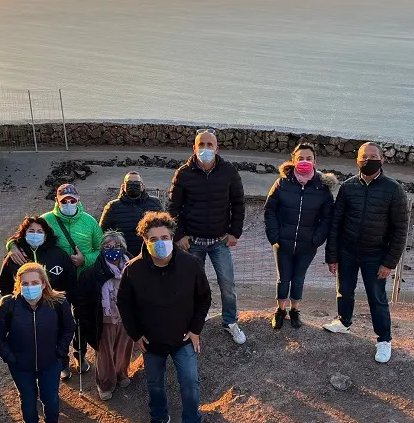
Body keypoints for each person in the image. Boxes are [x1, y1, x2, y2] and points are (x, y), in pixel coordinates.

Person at [118, 212, 214, 423]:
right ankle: (159, 418)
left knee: (190, 383)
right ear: (144, 240)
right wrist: (135, 333)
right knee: (155, 383)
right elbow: (124, 304)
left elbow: (204, 298)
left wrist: (195, 329)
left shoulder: (190, 264)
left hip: (183, 339)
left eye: (164, 237)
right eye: (153, 238)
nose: (159, 242)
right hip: (152, 341)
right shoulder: (133, 269)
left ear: (172, 237)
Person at [323, 142, 409, 364]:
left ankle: (383, 340)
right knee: (344, 290)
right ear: (357, 160)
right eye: (364, 156)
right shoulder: (348, 187)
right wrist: (332, 256)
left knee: (377, 298)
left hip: (376, 255)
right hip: (347, 251)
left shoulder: (393, 189)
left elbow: (400, 230)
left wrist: (389, 262)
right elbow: (336, 223)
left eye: (373, 156)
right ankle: (344, 322)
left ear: (382, 160)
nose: (368, 160)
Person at [8, 183, 101, 375]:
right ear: (57, 201)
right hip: (55, 283)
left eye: (72, 200)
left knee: (81, 320)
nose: (68, 203)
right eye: (64, 200)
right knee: (58, 322)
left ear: (78, 200)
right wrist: (11, 246)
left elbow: (100, 250)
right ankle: (63, 360)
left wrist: (85, 260)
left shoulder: (90, 222)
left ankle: (80, 354)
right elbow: (23, 236)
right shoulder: (47, 220)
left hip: (82, 280)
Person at [168, 128, 246, 345]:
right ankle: (193, 326)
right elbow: (173, 208)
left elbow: (238, 203)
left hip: (220, 242)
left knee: (228, 284)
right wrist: (180, 235)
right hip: (192, 243)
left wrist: (234, 232)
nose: (205, 149)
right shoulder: (183, 174)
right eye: (201, 145)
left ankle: (230, 321)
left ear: (217, 148)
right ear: (194, 148)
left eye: (209, 145)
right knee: (192, 287)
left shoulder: (229, 171)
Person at [0, 262, 75, 423]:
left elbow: (68, 328)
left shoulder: (58, 302)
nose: (30, 287)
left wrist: (59, 351)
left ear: (44, 283)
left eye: (34, 282)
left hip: (50, 363)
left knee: (50, 397)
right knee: (27, 399)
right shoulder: (8, 304)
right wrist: (10, 358)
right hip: (21, 366)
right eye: (25, 283)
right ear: (18, 285)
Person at [264, 142, 336, 329]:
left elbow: (327, 217)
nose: (305, 161)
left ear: (315, 161)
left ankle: (295, 311)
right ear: (293, 160)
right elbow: (270, 210)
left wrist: (316, 239)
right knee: (283, 279)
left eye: (309, 158)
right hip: (283, 243)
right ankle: (280, 311)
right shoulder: (282, 182)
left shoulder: (322, 188)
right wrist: (275, 236)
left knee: (298, 279)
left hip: (307, 245)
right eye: (301, 158)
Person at [73, 230, 134, 401]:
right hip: (105, 319)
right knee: (105, 352)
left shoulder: (133, 268)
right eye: (107, 247)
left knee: (124, 347)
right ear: (101, 249)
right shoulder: (91, 273)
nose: (112, 250)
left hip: (126, 317)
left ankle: (121, 374)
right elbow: (83, 300)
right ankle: (105, 383)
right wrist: (82, 318)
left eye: (116, 246)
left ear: (123, 248)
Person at [0, 216, 77, 297]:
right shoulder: (14, 256)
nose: (35, 234)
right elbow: (4, 286)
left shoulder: (59, 255)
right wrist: (14, 305)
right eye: (31, 231)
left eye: (40, 232)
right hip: (22, 307)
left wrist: (61, 304)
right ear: (25, 234)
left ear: (45, 236)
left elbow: (71, 284)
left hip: (53, 306)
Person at [99, 171, 163, 256]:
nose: (133, 186)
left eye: (136, 183)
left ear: (142, 187)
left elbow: (165, 228)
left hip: (151, 254)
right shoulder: (113, 206)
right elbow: (103, 233)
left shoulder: (155, 203)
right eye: (129, 183)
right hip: (123, 257)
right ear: (123, 186)